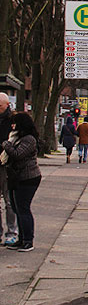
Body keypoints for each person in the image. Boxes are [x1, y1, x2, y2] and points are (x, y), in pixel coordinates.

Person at [1, 112, 42, 252]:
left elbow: (18, 154)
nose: (12, 126)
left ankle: (28, 240)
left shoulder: (29, 139)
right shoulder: (17, 137)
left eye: (14, 123)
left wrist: (6, 145)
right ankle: (21, 239)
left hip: (28, 178)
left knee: (23, 208)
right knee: (16, 207)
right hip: (16, 177)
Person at [0, 92, 18, 247]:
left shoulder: (13, 121)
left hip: (7, 165)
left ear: (6, 105)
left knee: (9, 201)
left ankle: (11, 232)